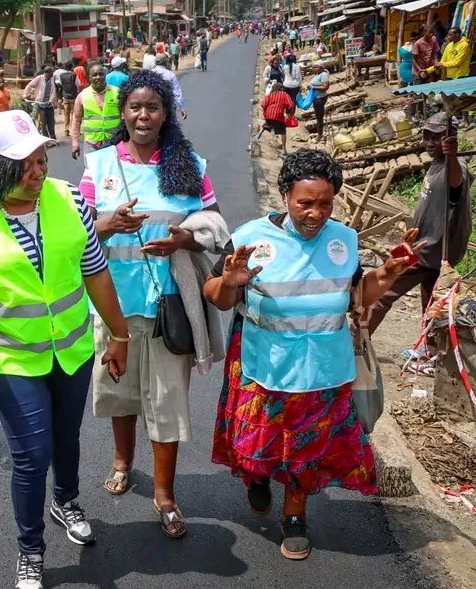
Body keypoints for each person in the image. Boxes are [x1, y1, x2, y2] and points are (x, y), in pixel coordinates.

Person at [0, 109, 130, 589]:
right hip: (10, 359)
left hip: (71, 349)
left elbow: (96, 274)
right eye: (22, 161)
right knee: (31, 455)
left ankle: (66, 501)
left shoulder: (70, 201)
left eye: (40, 155)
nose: (37, 167)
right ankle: (30, 552)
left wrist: (120, 335)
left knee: (66, 435)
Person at [206, 149, 420, 560]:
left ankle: (295, 515)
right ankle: (258, 475)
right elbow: (215, 297)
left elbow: (356, 297)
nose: (315, 213)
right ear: (285, 196)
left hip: (323, 368)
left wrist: (388, 274)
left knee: (306, 451)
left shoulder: (344, 240)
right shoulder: (252, 237)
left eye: (325, 203)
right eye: (305, 202)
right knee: (257, 447)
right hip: (263, 364)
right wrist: (230, 282)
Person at [78, 71, 221, 539]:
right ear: (122, 113)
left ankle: (164, 493)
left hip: (168, 305)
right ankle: (122, 459)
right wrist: (105, 225)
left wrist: (186, 238)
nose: (144, 116)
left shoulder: (190, 165)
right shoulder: (98, 166)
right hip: (111, 304)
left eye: (153, 108)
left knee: (166, 399)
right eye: (135, 108)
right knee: (120, 393)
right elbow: (76, 233)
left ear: (166, 114)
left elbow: (216, 229)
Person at [369, 112, 472, 335]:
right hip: (430, 249)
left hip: (427, 251)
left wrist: (452, 155)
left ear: (450, 138)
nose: (429, 142)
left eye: (436, 137)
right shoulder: (436, 164)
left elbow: (456, 183)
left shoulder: (454, 167)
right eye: (426, 136)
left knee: (382, 293)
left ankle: (356, 342)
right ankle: (430, 352)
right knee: (432, 306)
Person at [71, 62, 121, 160]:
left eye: (101, 74)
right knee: (92, 174)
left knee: (114, 174)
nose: (98, 77)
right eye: (94, 75)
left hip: (114, 143)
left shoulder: (117, 92)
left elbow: (126, 117)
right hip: (92, 145)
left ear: (105, 75)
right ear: (89, 78)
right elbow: (76, 120)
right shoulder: (82, 96)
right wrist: (75, 143)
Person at [254, 80, 296, 154]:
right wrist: (289, 112)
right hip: (279, 114)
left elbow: (263, 104)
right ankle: (284, 149)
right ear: (281, 88)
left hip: (269, 114)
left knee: (266, 126)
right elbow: (290, 104)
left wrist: (266, 113)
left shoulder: (270, 95)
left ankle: (257, 138)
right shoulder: (284, 94)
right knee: (283, 131)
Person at [24, 65, 58, 140]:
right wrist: (26, 95)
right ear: (46, 73)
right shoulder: (39, 78)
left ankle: (53, 139)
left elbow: (53, 91)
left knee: (51, 123)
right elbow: (29, 85)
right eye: (51, 74)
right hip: (41, 105)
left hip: (49, 105)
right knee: (44, 124)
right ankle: (46, 140)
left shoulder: (52, 79)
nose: (52, 75)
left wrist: (52, 101)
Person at [151, 54, 186, 120]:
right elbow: (177, 92)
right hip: (169, 107)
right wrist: (182, 108)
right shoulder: (170, 75)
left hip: (153, 107)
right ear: (165, 62)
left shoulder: (150, 74)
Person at [308, 62, 330, 141]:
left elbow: (325, 87)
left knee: (319, 118)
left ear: (320, 67)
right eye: (313, 67)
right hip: (316, 98)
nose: (313, 69)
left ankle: (319, 136)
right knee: (318, 117)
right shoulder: (318, 74)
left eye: (315, 67)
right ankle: (320, 134)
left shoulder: (323, 75)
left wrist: (313, 87)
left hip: (320, 99)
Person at [58, 61, 79, 136]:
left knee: (66, 114)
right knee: (74, 114)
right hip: (73, 97)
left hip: (65, 97)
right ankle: (73, 129)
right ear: (71, 67)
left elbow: (60, 84)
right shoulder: (74, 75)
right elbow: (78, 84)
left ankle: (66, 130)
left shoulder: (61, 75)